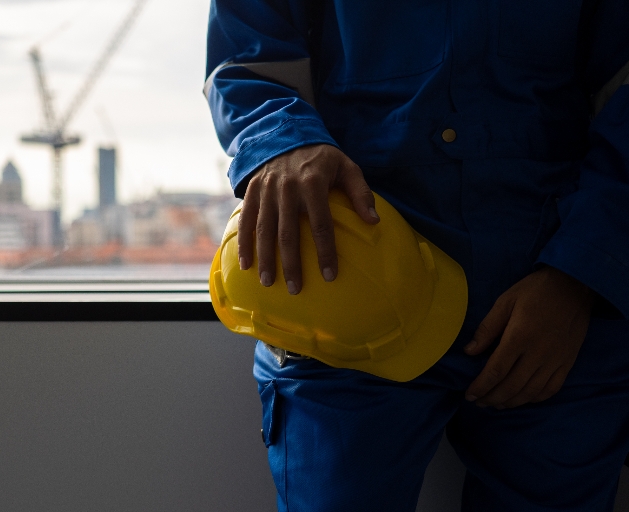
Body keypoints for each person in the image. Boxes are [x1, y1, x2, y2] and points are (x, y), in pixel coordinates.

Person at [205, 1, 629, 510]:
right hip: (348, 285)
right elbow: (247, 54)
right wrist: (282, 143)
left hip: (555, 306)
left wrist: (580, 273)